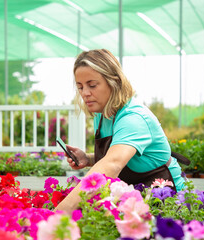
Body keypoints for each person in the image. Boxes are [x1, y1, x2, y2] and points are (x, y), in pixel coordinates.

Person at [55, 49, 186, 214]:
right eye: (80, 87)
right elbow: (118, 156)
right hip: (136, 199)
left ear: (113, 82)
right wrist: (88, 159)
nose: (85, 93)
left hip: (167, 199)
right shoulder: (102, 115)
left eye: (92, 85)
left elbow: (112, 164)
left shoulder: (133, 118)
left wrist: (57, 214)